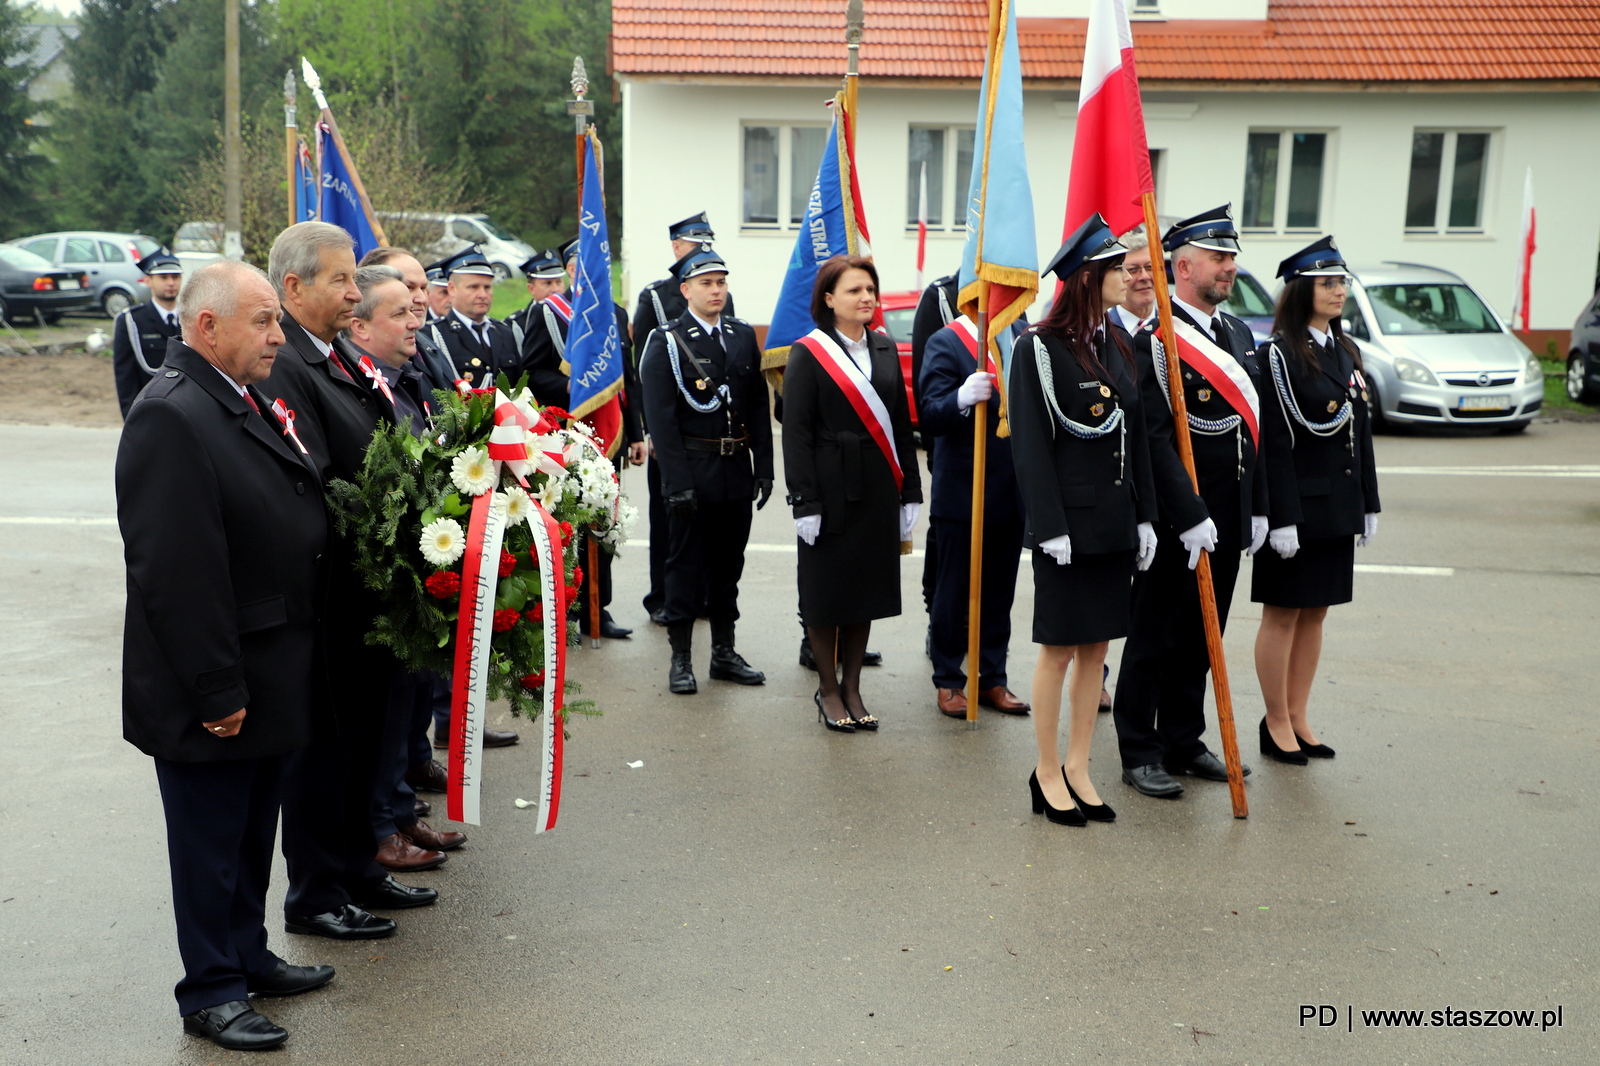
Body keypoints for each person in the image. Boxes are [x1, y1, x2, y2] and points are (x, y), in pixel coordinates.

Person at [116, 259, 334, 1051]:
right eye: (265, 321)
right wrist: (215, 687)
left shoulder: (238, 396)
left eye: (278, 320)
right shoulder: (171, 414)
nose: (280, 335)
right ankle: (209, 989)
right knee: (210, 844)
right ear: (207, 326)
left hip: (268, 665)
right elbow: (176, 570)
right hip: (216, 678)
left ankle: (246, 956)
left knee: (250, 834)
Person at [257, 222, 436, 941]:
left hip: (373, 592)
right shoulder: (289, 365)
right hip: (332, 601)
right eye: (341, 280)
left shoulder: (335, 355)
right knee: (325, 753)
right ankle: (316, 890)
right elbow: (320, 478)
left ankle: (359, 866)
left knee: (368, 741)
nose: (354, 292)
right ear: (293, 287)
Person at [1007, 214, 1158, 825]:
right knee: (1058, 651)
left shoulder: (1117, 342)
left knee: (1097, 650)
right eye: (1119, 268)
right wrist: (1049, 527)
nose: (1131, 276)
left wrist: (1145, 517)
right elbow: (1032, 448)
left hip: (1114, 523)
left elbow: (1139, 437)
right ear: (1089, 277)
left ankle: (1078, 765)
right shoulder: (1037, 348)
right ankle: (1045, 772)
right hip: (1068, 527)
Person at [1112, 207, 1263, 800]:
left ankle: (1182, 737)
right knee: (1155, 635)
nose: (1229, 267)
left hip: (1228, 513)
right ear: (1183, 265)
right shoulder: (1159, 340)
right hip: (1181, 517)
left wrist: (1258, 505)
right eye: (1219, 258)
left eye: (1231, 257)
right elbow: (1151, 435)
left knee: (1205, 634)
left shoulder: (1239, 335)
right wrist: (1188, 512)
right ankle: (1139, 748)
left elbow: (1254, 430)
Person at [345, 264, 471, 869]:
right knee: (387, 714)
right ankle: (383, 825)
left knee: (406, 709)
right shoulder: (364, 383)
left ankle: (397, 814)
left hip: (419, 570)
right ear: (359, 326)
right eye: (399, 311)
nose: (416, 317)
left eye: (418, 306)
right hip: (386, 579)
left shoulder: (406, 377)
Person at [1252, 236, 1379, 764]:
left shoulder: (1344, 351)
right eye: (1327, 283)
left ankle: (1300, 715)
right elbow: (1275, 441)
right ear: (1302, 291)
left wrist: (1369, 501)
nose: (1338, 291)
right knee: (1282, 615)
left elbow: (1360, 430)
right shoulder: (1278, 355)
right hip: (1298, 511)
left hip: (1336, 506)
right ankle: (1274, 719)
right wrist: (1280, 516)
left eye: (1341, 282)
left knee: (1316, 614)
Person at [782, 255, 922, 732]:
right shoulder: (807, 352)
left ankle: (854, 686)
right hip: (828, 487)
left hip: (878, 485)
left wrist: (911, 494)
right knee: (826, 593)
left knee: (864, 590)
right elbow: (796, 435)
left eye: (870, 290)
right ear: (828, 299)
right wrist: (804, 501)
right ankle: (827, 688)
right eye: (854, 291)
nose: (866, 298)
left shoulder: (883, 348)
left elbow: (901, 427)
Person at [637, 248, 771, 694]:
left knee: (728, 567)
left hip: (735, 470)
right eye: (706, 283)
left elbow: (755, 405)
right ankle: (680, 659)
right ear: (686, 290)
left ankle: (724, 653)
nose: (716, 291)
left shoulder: (740, 335)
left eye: (721, 282)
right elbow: (662, 420)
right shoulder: (668, 341)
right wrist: (676, 484)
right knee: (684, 568)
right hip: (693, 471)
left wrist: (765, 467)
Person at [918, 308, 1030, 719]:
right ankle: (948, 679)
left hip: (1011, 488)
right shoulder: (947, 342)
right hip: (964, 491)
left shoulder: (1021, 335)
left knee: (999, 594)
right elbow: (929, 415)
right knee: (953, 592)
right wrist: (960, 398)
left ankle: (992, 677)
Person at [633, 212, 736, 626]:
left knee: (712, 528)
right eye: (697, 245)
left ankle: (707, 596)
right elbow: (644, 370)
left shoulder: (720, 294)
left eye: (709, 245)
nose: (705, 254)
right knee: (669, 520)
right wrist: (648, 429)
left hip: (709, 428)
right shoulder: (656, 298)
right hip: (670, 429)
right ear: (677, 247)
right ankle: (663, 596)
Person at [425, 248, 521, 388]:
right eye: (473, 287)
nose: (482, 294)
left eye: (487, 287)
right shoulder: (434, 335)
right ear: (452, 289)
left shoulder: (504, 332)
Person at [111, 250, 185, 416]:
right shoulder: (131, 321)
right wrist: (132, 421)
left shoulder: (192, 318)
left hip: (189, 410)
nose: (171, 282)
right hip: (151, 410)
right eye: (163, 277)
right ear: (147, 280)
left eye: (175, 276)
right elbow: (126, 380)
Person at [1112, 228, 1156, 335]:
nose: (1144, 276)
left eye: (1149, 267)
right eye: (1133, 269)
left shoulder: (1177, 327)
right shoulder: (1102, 331)